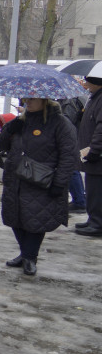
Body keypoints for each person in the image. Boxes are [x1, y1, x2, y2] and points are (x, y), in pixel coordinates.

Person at [0, 97, 78, 275]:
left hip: (42, 180)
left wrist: (60, 182)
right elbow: (2, 145)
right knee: (15, 216)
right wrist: (9, 129)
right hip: (15, 177)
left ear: (45, 101)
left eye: (32, 100)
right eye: (26, 100)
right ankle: (25, 253)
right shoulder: (21, 121)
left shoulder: (60, 123)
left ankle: (30, 257)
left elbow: (68, 155)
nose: (28, 103)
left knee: (36, 219)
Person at [75, 68, 102, 236]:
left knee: (97, 191)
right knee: (92, 190)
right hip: (92, 154)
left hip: (97, 156)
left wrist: (94, 150)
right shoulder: (95, 98)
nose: (85, 83)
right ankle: (93, 219)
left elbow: (101, 129)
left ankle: (98, 224)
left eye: (87, 81)